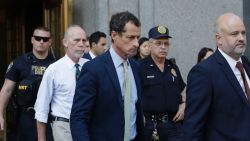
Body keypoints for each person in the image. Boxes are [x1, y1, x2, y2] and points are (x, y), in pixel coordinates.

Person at [70, 11, 144, 141]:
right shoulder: (93, 69)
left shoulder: (136, 67)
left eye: (138, 37)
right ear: (114, 35)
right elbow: (79, 118)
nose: (136, 43)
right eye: (130, 37)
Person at [183, 13, 250, 141]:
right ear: (219, 39)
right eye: (234, 34)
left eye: (243, 33)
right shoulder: (203, 72)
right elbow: (193, 127)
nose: (241, 38)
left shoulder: (245, 64)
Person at [0, 26, 55, 141]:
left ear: (50, 42)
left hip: (50, 118)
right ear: (32, 40)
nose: (41, 42)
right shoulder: (19, 63)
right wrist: (0, 114)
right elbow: (6, 90)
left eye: (45, 39)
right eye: (38, 38)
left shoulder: (57, 64)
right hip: (27, 117)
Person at [34, 25, 88, 141]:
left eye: (84, 40)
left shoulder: (91, 66)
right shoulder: (54, 70)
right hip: (64, 127)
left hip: (88, 126)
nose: (81, 44)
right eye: (77, 40)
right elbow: (41, 108)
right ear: (65, 42)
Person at [140, 26, 186, 141]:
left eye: (166, 44)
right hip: (151, 127)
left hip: (173, 125)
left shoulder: (172, 67)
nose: (163, 47)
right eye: (158, 43)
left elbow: (184, 89)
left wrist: (184, 105)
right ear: (150, 45)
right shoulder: (140, 67)